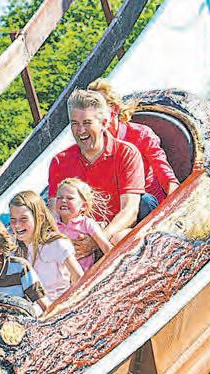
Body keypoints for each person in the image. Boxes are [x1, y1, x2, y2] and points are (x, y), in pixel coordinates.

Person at [48, 89, 156, 254]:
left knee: (120, 237)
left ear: (104, 123)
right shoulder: (60, 161)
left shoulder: (125, 153)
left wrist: (97, 240)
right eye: (75, 123)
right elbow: (54, 215)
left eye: (87, 122)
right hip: (79, 235)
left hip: (114, 231)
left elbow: (130, 210)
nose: (80, 130)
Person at [88, 78, 179, 202]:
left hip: (150, 203)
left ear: (114, 109)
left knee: (143, 201)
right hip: (120, 207)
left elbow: (164, 172)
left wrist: (176, 199)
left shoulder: (141, 134)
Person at [9, 190, 83, 304]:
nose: (17, 225)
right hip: (34, 309)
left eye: (23, 219)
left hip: (61, 303)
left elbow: (79, 277)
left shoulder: (56, 243)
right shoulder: (14, 253)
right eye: (13, 219)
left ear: (40, 218)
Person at [55, 178, 112, 271]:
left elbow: (107, 248)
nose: (63, 200)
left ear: (83, 206)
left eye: (70, 198)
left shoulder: (86, 224)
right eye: (59, 197)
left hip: (88, 272)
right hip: (64, 276)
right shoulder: (53, 227)